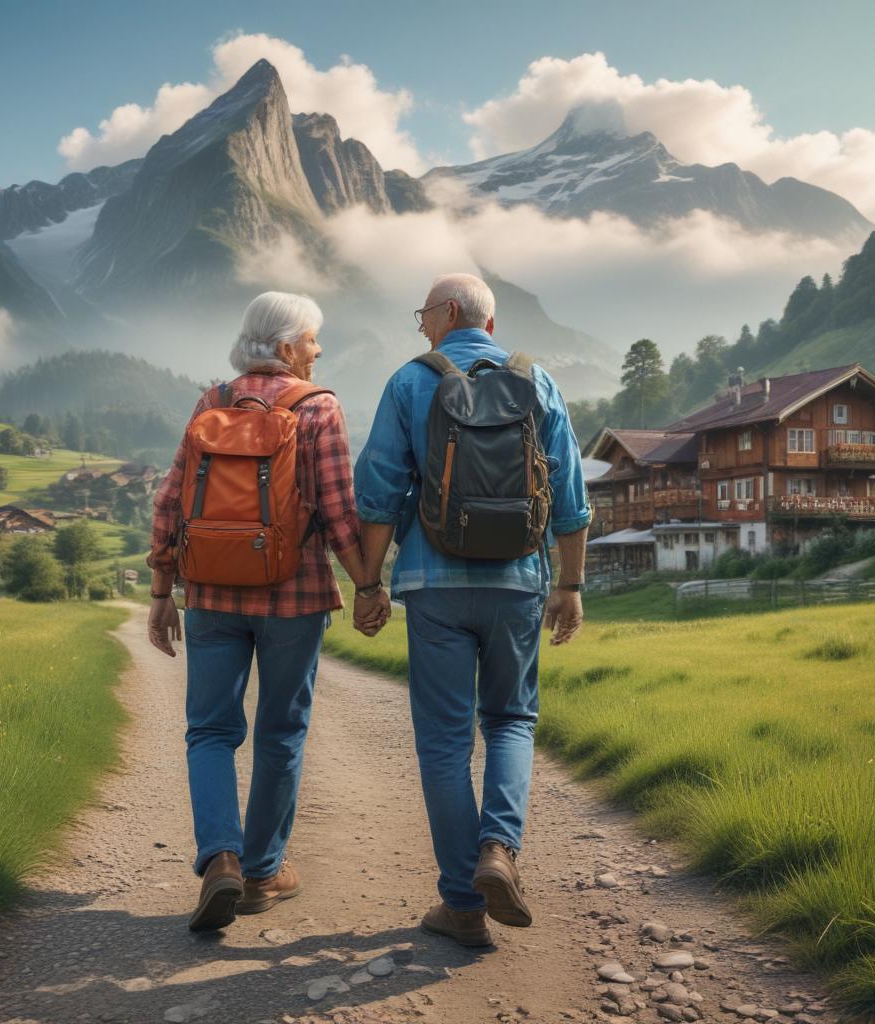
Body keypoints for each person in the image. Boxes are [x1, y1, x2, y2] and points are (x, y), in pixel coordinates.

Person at [353, 272, 590, 947]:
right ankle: (499, 849)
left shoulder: (408, 382)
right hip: (517, 579)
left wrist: (368, 585)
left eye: (423, 312)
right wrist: (568, 586)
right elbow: (570, 495)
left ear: (451, 312)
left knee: (444, 742)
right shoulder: (535, 380)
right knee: (512, 718)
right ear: (488, 323)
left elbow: (376, 494)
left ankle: (462, 902)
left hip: (433, 583)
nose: (421, 325)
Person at [146, 291, 388, 931]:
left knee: (209, 731)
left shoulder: (212, 402)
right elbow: (339, 510)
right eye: (312, 339)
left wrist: (160, 593)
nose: (317, 350)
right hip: (295, 595)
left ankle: (220, 859)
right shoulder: (318, 406)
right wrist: (367, 584)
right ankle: (262, 873)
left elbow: (170, 501)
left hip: (210, 593)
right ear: (285, 347)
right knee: (281, 731)